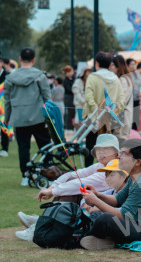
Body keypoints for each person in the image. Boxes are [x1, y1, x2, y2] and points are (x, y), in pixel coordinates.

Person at [15, 137, 125, 241]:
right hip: (92, 204)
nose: (101, 152)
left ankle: (44, 225)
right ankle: (45, 221)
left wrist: (52, 191)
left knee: (70, 192)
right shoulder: (100, 165)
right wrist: (53, 187)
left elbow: (79, 183)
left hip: (97, 209)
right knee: (67, 188)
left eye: (106, 149)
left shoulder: (113, 169)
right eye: (98, 149)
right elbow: (71, 175)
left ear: (115, 152)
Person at [80, 140, 141, 248]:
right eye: (120, 153)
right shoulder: (135, 175)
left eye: (124, 154)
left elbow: (123, 215)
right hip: (135, 226)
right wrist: (97, 194)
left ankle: (88, 238)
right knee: (100, 216)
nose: (118, 157)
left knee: (104, 219)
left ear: (137, 162)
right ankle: (101, 240)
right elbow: (117, 200)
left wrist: (95, 201)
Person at [4, 48, 51, 186]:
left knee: (23, 148)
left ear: (19, 59)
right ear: (33, 60)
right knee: (45, 146)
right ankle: (48, 171)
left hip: (19, 117)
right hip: (38, 116)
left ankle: (26, 174)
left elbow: (7, 100)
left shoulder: (10, 78)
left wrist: (7, 118)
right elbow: (46, 97)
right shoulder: (40, 75)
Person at [84, 52, 125, 157]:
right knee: (108, 151)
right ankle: (107, 172)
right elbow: (121, 101)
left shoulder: (92, 77)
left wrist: (97, 114)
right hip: (110, 120)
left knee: (90, 148)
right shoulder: (116, 79)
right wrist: (114, 111)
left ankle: (89, 172)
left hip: (93, 120)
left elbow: (89, 98)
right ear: (110, 64)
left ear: (96, 63)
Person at [110, 54, 134, 140]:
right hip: (121, 118)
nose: (110, 67)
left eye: (112, 65)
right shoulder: (124, 79)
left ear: (118, 66)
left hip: (121, 118)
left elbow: (121, 101)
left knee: (119, 141)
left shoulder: (123, 80)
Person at [62, 65, 75, 130]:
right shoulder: (66, 81)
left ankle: (73, 126)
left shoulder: (73, 79)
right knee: (69, 112)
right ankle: (68, 127)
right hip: (68, 98)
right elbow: (69, 89)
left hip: (73, 97)